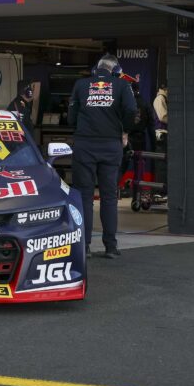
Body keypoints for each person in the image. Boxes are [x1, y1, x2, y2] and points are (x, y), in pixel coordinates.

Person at [68, 54, 138, 259]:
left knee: (84, 197)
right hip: (110, 145)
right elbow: (131, 110)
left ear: (95, 69)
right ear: (115, 71)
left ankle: (85, 246)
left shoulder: (81, 85)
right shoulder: (122, 86)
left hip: (85, 145)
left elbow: (71, 117)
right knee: (109, 197)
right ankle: (110, 246)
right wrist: (125, 131)